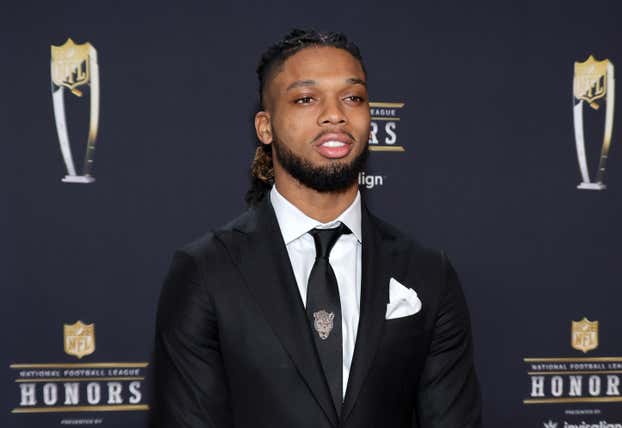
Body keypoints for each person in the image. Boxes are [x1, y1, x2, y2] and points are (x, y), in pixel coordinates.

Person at [150, 28, 481, 428]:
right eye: (306, 99)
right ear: (265, 127)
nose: (335, 114)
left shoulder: (428, 273)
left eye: (352, 97)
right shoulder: (205, 272)